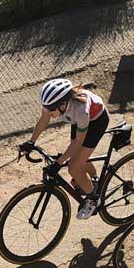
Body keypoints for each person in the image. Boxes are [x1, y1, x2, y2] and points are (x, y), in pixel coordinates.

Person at [21, 78, 110, 220]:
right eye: (46, 108)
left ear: (63, 104)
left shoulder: (81, 111)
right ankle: (95, 179)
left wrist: (59, 162)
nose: (48, 112)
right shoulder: (53, 104)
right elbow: (44, 119)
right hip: (79, 121)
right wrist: (31, 142)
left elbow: (77, 142)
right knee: (78, 157)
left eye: (51, 110)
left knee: (74, 167)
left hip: (96, 121)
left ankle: (93, 199)